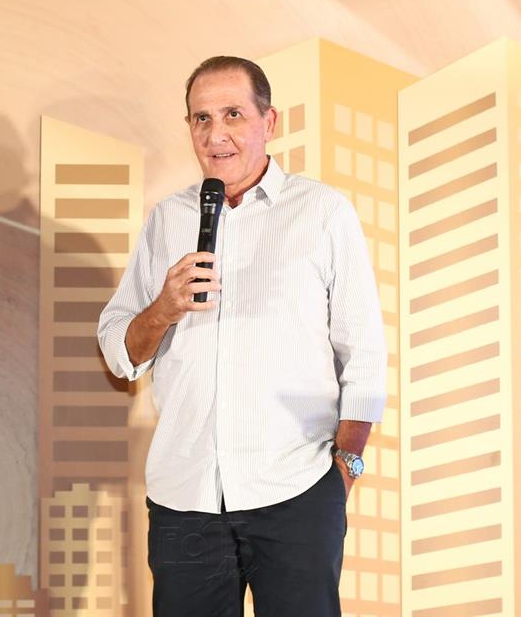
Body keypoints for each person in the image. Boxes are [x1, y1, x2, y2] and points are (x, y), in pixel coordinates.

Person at [98, 56, 387, 617]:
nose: (216, 134)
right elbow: (119, 352)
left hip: (296, 489)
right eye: (201, 119)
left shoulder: (323, 212)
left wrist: (344, 470)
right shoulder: (167, 218)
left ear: (268, 121)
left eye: (233, 114)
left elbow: (363, 352)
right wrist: (162, 309)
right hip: (184, 496)